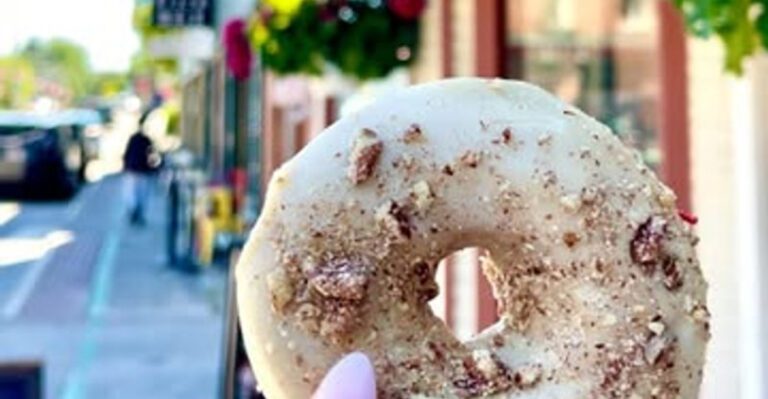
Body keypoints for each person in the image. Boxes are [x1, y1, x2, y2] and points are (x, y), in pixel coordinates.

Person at [123, 129, 158, 226]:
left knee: (132, 193)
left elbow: (127, 154)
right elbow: (152, 156)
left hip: (133, 169)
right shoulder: (147, 140)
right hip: (143, 171)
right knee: (142, 194)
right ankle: (138, 213)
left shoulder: (133, 139)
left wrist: (126, 167)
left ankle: (134, 211)